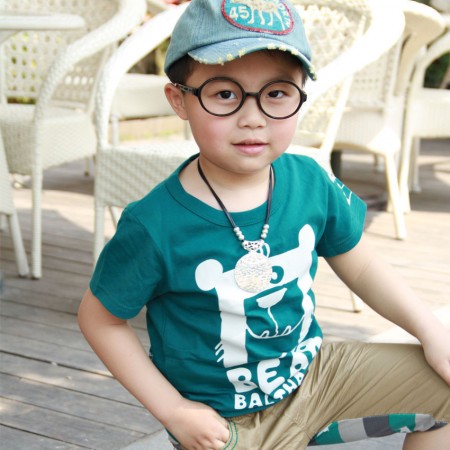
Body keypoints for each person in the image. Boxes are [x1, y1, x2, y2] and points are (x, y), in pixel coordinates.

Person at [78, 1, 450, 449]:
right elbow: (99, 319)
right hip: (226, 422)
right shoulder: (154, 224)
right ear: (179, 100)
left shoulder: (310, 180)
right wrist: (173, 410)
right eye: (224, 94)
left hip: (316, 378)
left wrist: (431, 332)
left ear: (300, 94)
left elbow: (364, 266)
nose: (253, 117)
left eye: (276, 93)